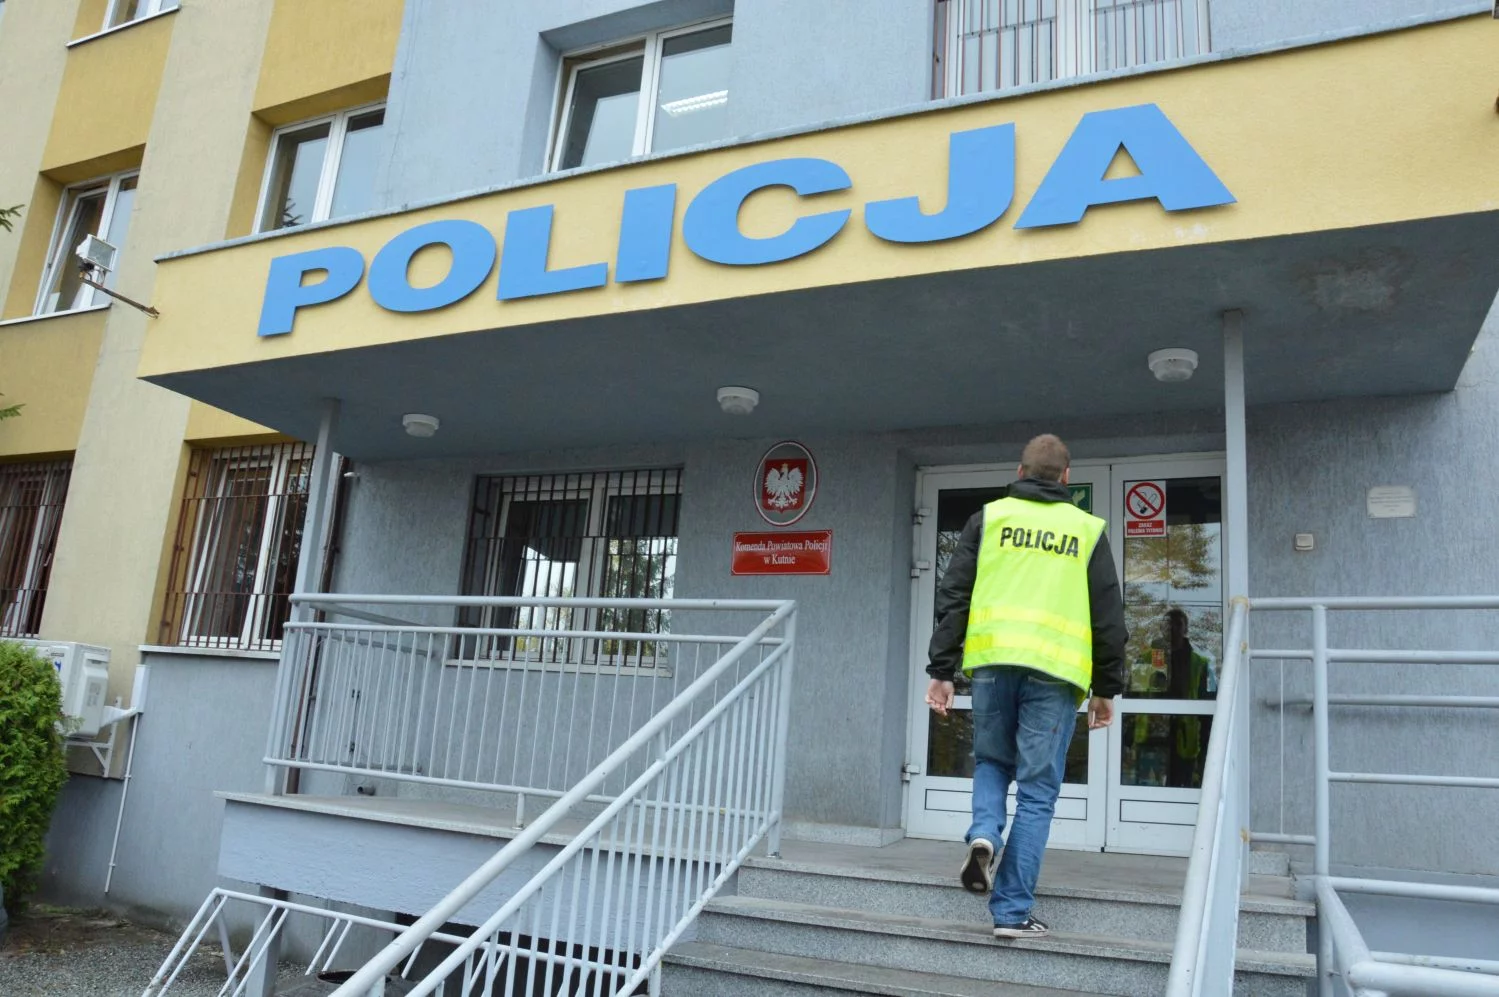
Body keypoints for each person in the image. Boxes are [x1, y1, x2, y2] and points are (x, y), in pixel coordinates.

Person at [925, 434, 1127, 939]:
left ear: (1019, 471)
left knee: (992, 762)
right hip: (1055, 673)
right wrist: (1106, 687)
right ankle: (1011, 912)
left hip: (993, 663)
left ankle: (983, 835)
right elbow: (1108, 615)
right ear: (1066, 477)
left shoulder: (989, 519)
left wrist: (942, 670)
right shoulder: (1086, 529)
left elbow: (954, 595)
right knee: (1036, 793)